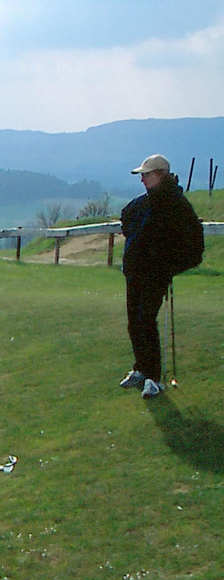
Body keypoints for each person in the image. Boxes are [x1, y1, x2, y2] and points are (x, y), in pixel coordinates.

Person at [118, 153, 204, 399]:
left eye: (146, 175)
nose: (142, 179)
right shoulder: (144, 202)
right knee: (134, 322)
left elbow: (193, 243)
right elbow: (126, 216)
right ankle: (141, 368)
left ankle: (153, 378)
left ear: (161, 175)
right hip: (135, 272)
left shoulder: (176, 205)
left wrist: (171, 264)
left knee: (146, 320)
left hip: (156, 274)